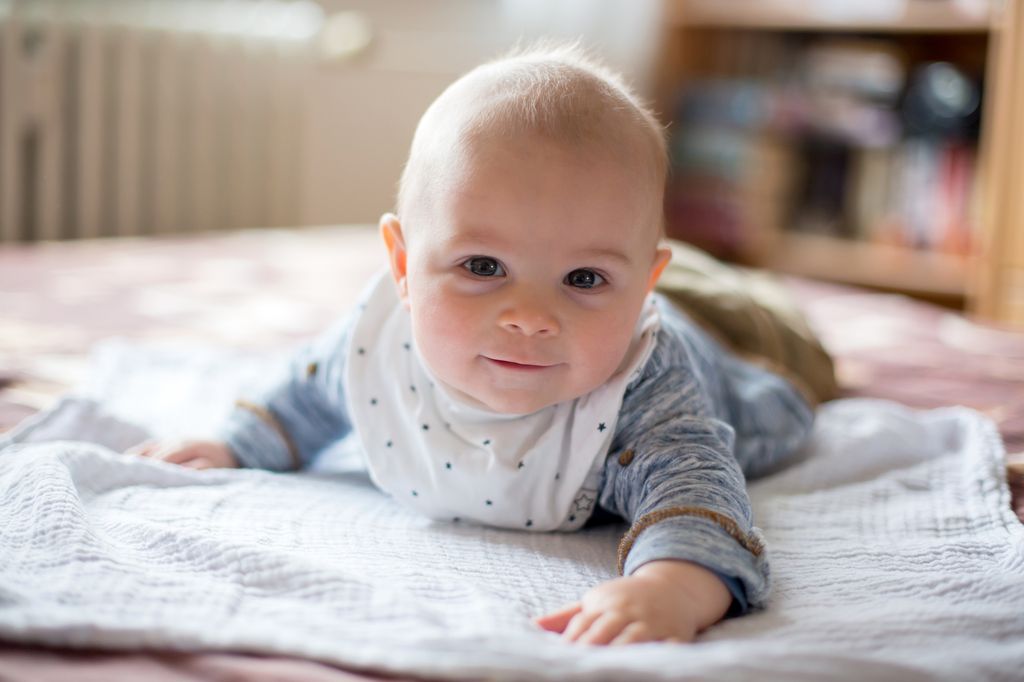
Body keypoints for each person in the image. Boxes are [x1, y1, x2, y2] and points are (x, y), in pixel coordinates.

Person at [128, 43, 814, 646]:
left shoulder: (645, 381)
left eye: (583, 277)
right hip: (645, 284)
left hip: (721, 348)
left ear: (641, 291)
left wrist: (672, 586)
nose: (531, 317)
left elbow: (696, 487)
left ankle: (719, 304)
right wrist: (236, 442)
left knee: (785, 373)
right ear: (401, 266)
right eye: (483, 267)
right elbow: (307, 389)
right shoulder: (378, 343)